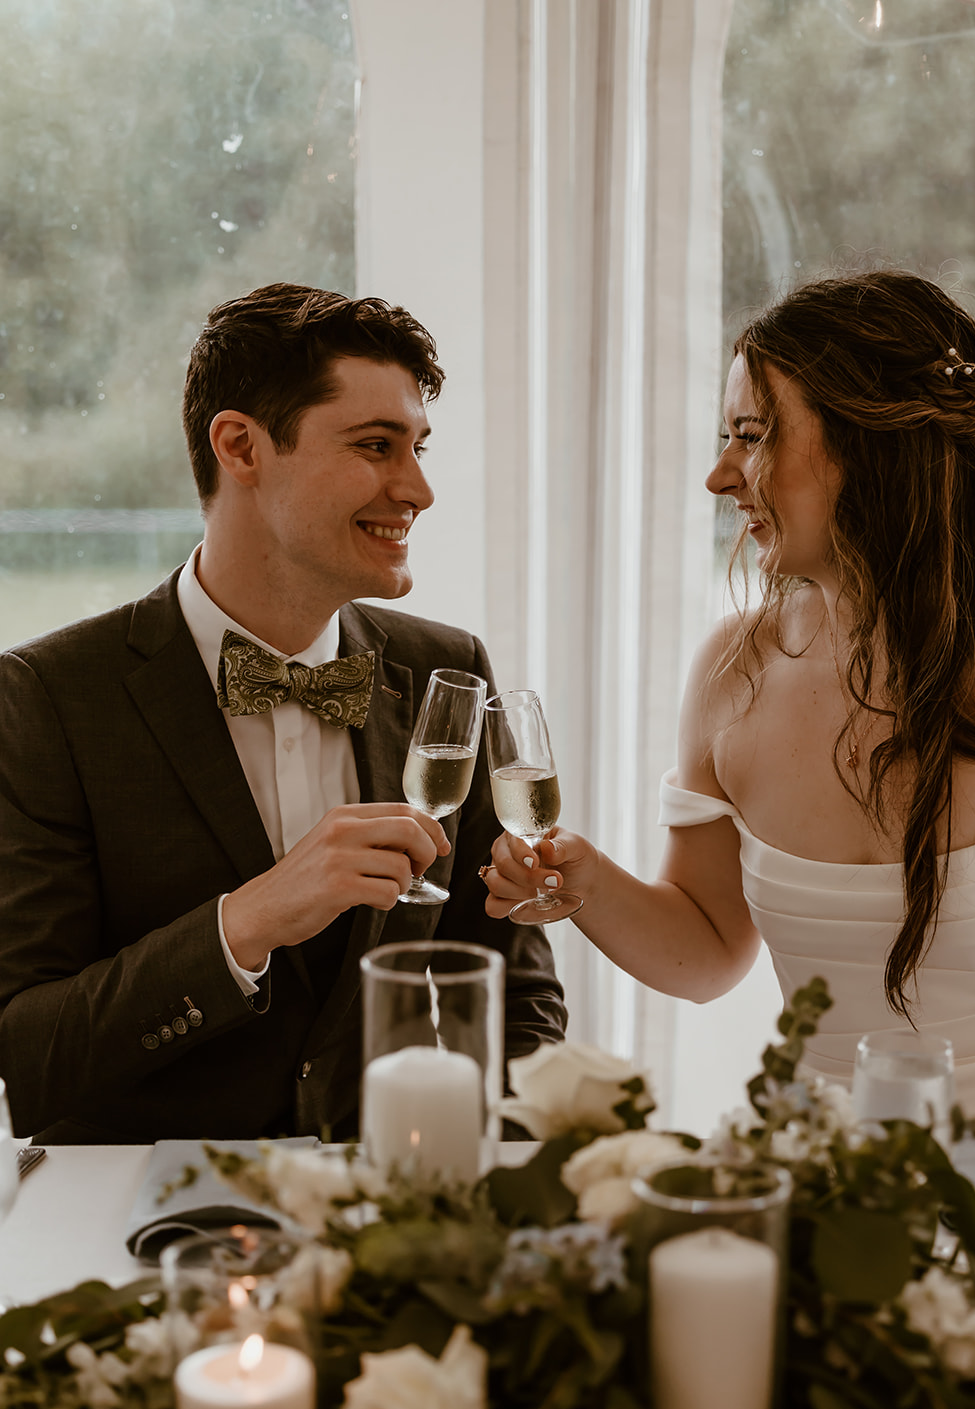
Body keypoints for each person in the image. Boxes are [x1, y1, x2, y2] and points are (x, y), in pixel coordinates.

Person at [484, 269, 975, 1118]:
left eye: (751, 435)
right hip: (827, 1198)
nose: (720, 477)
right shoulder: (733, 674)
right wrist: (588, 886)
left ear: (870, 443)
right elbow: (712, 947)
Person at [0, 283, 565, 1143]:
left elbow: (515, 993)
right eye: (376, 446)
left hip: (390, 1219)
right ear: (240, 446)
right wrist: (251, 920)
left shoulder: (447, 670)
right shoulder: (46, 697)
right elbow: (27, 1054)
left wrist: (499, 1195)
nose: (417, 489)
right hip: (135, 1225)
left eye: (416, 448)